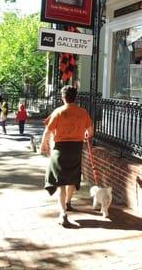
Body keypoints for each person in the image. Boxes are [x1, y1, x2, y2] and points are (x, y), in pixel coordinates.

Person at [40, 86, 93, 226]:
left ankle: (63, 212)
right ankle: (68, 202)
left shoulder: (58, 112)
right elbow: (90, 131)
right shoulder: (83, 112)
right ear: (75, 97)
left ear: (63, 97)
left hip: (60, 149)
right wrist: (85, 134)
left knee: (61, 182)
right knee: (72, 177)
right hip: (76, 149)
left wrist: (43, 144)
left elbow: (47, 131)